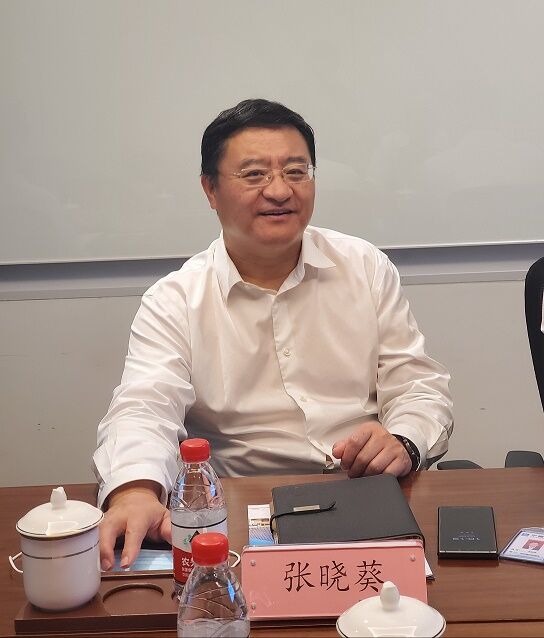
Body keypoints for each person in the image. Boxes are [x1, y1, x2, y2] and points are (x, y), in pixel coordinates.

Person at [93, 98, 453, 571]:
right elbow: (144, 405)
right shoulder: (176, 299)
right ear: (210, 189)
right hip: (242, 510)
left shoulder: (364, 267)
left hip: (364, 494)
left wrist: (403, 442)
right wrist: (135, 490)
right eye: (254, 174)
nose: (280, 190)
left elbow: (418, 386)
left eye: (296, 172)